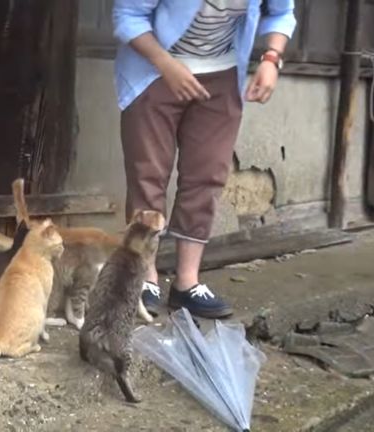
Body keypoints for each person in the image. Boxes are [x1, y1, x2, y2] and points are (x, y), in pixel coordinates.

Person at [113, 0, 296, 319]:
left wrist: (271, 59)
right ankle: (145, 277)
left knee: (207, 175)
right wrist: (166, 64)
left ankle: (187, 283)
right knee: (148, 173)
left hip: (221, 75)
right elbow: (128, 16)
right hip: (154, 70)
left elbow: (281, 12)